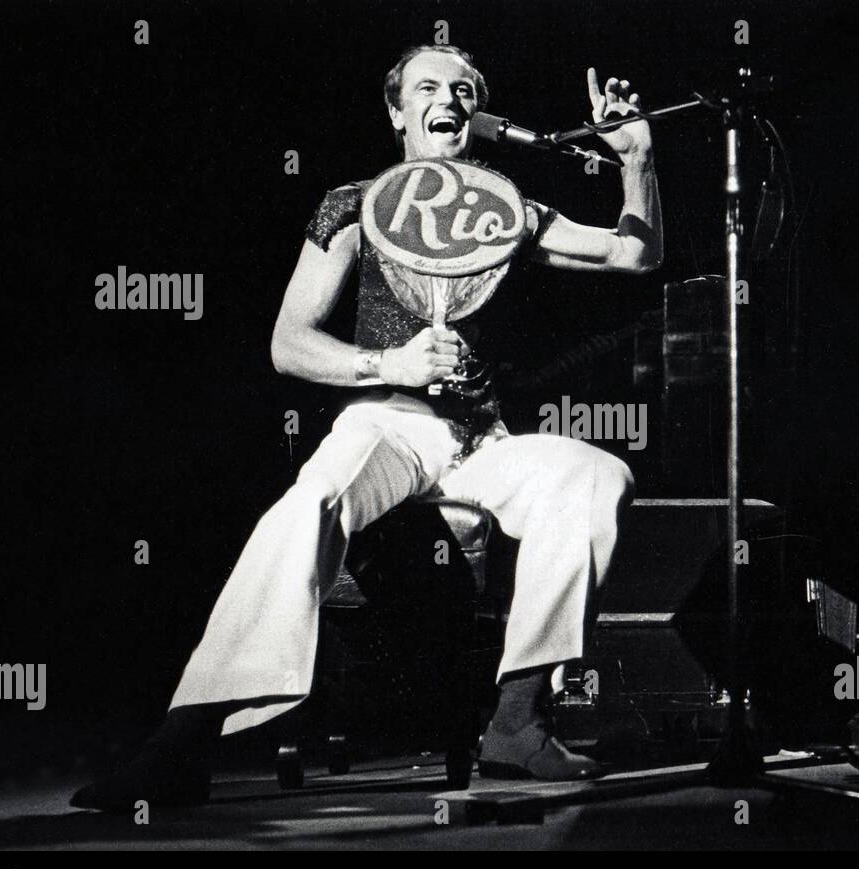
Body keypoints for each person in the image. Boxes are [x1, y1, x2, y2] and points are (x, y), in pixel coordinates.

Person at [71, 43, 662, 810]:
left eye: (463, 88)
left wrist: (635, 159)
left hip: (481, 440)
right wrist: (392, 363)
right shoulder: (353, 203)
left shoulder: (504, 207)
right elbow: (290, 342)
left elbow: (633, 255)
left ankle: (518, 720)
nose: (447, 96)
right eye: (427, 85)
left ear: (475, 117)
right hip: (387, 422)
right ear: (397, 112)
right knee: (310, 499)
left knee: (596, 474)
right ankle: (183, 741)